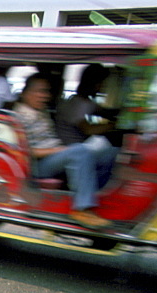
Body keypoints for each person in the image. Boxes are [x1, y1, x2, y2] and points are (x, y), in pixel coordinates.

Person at [14, 73, 114, 229]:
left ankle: (93, 197)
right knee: (79, 151)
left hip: (53, 156)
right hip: (37, 165)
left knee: (109, 153)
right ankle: (82, 209)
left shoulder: (41, 110)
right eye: (39, 91)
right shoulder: (19, 116)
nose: (44, 96)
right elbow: (26, 151)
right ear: (25, 93)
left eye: (46, 92)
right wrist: (58, 150)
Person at [56, 64, 119, 146]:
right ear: (97, 84)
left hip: (77, 146)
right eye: (103, 83)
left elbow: (104, 112)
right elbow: (88, 130)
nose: (104, 86)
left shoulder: (84, 101)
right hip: (70, 148)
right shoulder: (78, 104)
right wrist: (115, 125)